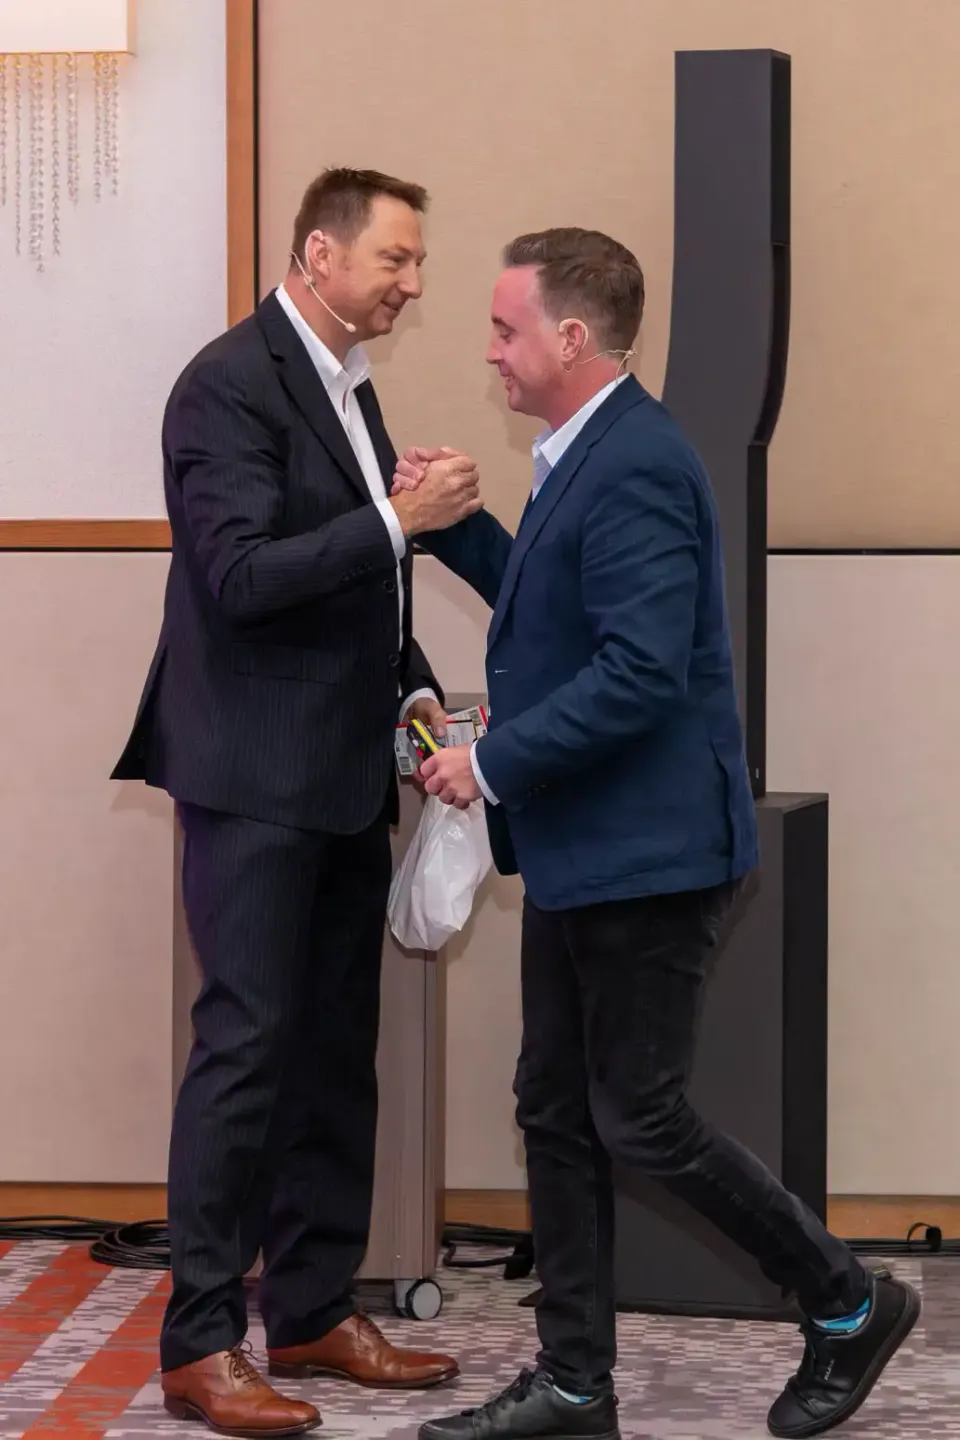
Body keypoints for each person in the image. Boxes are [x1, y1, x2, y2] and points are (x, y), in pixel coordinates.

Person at [394, 228, 920, 1440]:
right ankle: (576, 1384)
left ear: (572, 339)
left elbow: (638, 674)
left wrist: (495, 760)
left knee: (638, 1117)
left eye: (503, 329)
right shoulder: (590, 451)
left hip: (649, 856)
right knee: (556, 1109)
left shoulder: (634, 461)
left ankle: (846, 1303)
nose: (490, 351)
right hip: (588, 852)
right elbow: (567, 607)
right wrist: (465, 529)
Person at [112, 168, 480, 1438]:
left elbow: (363, 594)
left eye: (420, 263)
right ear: (319, 255)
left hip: (338, 772)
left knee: (333, 1059)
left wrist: (421, 693)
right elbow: (241, 574)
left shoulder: (345, 384)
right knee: (246, 1056)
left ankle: (314, 1308)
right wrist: (396, 517)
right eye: (396, 259)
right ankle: (199, 1342)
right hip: (253, 776)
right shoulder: (226, 381)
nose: (413, 284)